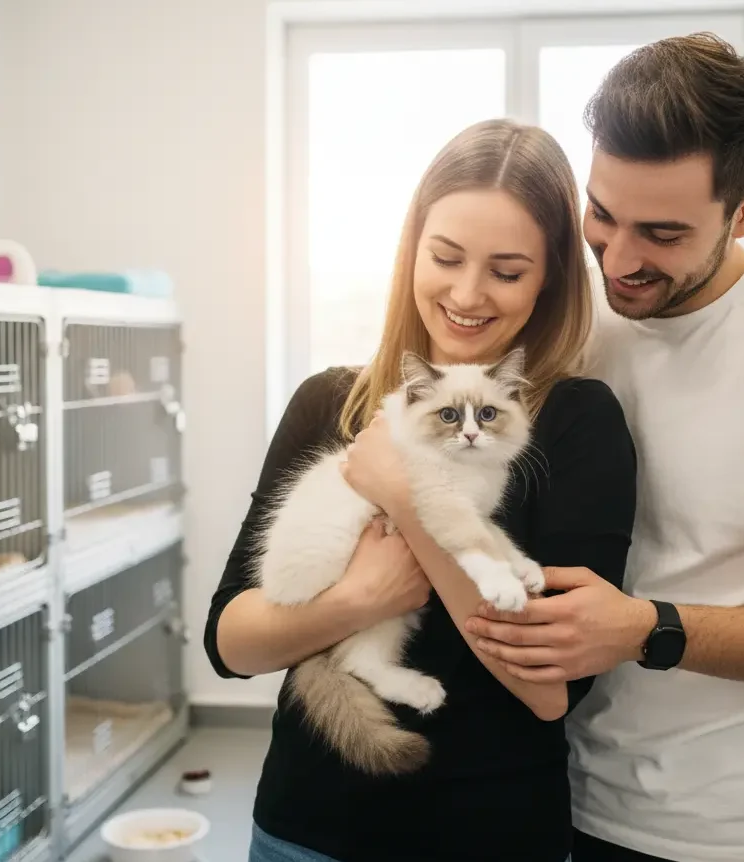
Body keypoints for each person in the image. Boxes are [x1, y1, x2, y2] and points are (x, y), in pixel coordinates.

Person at [465, 33, 744, 862]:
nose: (620, 260)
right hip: (533, 797)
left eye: (663, 233)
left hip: (710, 836)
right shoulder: (572, 317)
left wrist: (646, 629)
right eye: (602, 214)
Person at [203, 118, 637, 862]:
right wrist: (357, 601)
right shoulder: (329, 402)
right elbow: (231, 643)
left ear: (550, 277)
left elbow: (548, 692)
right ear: (413, 251)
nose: (468, 294)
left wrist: (404, 499)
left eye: (507, 271)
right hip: (308, 828)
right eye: (446, 257)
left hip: (492, 833)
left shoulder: (576, 421)